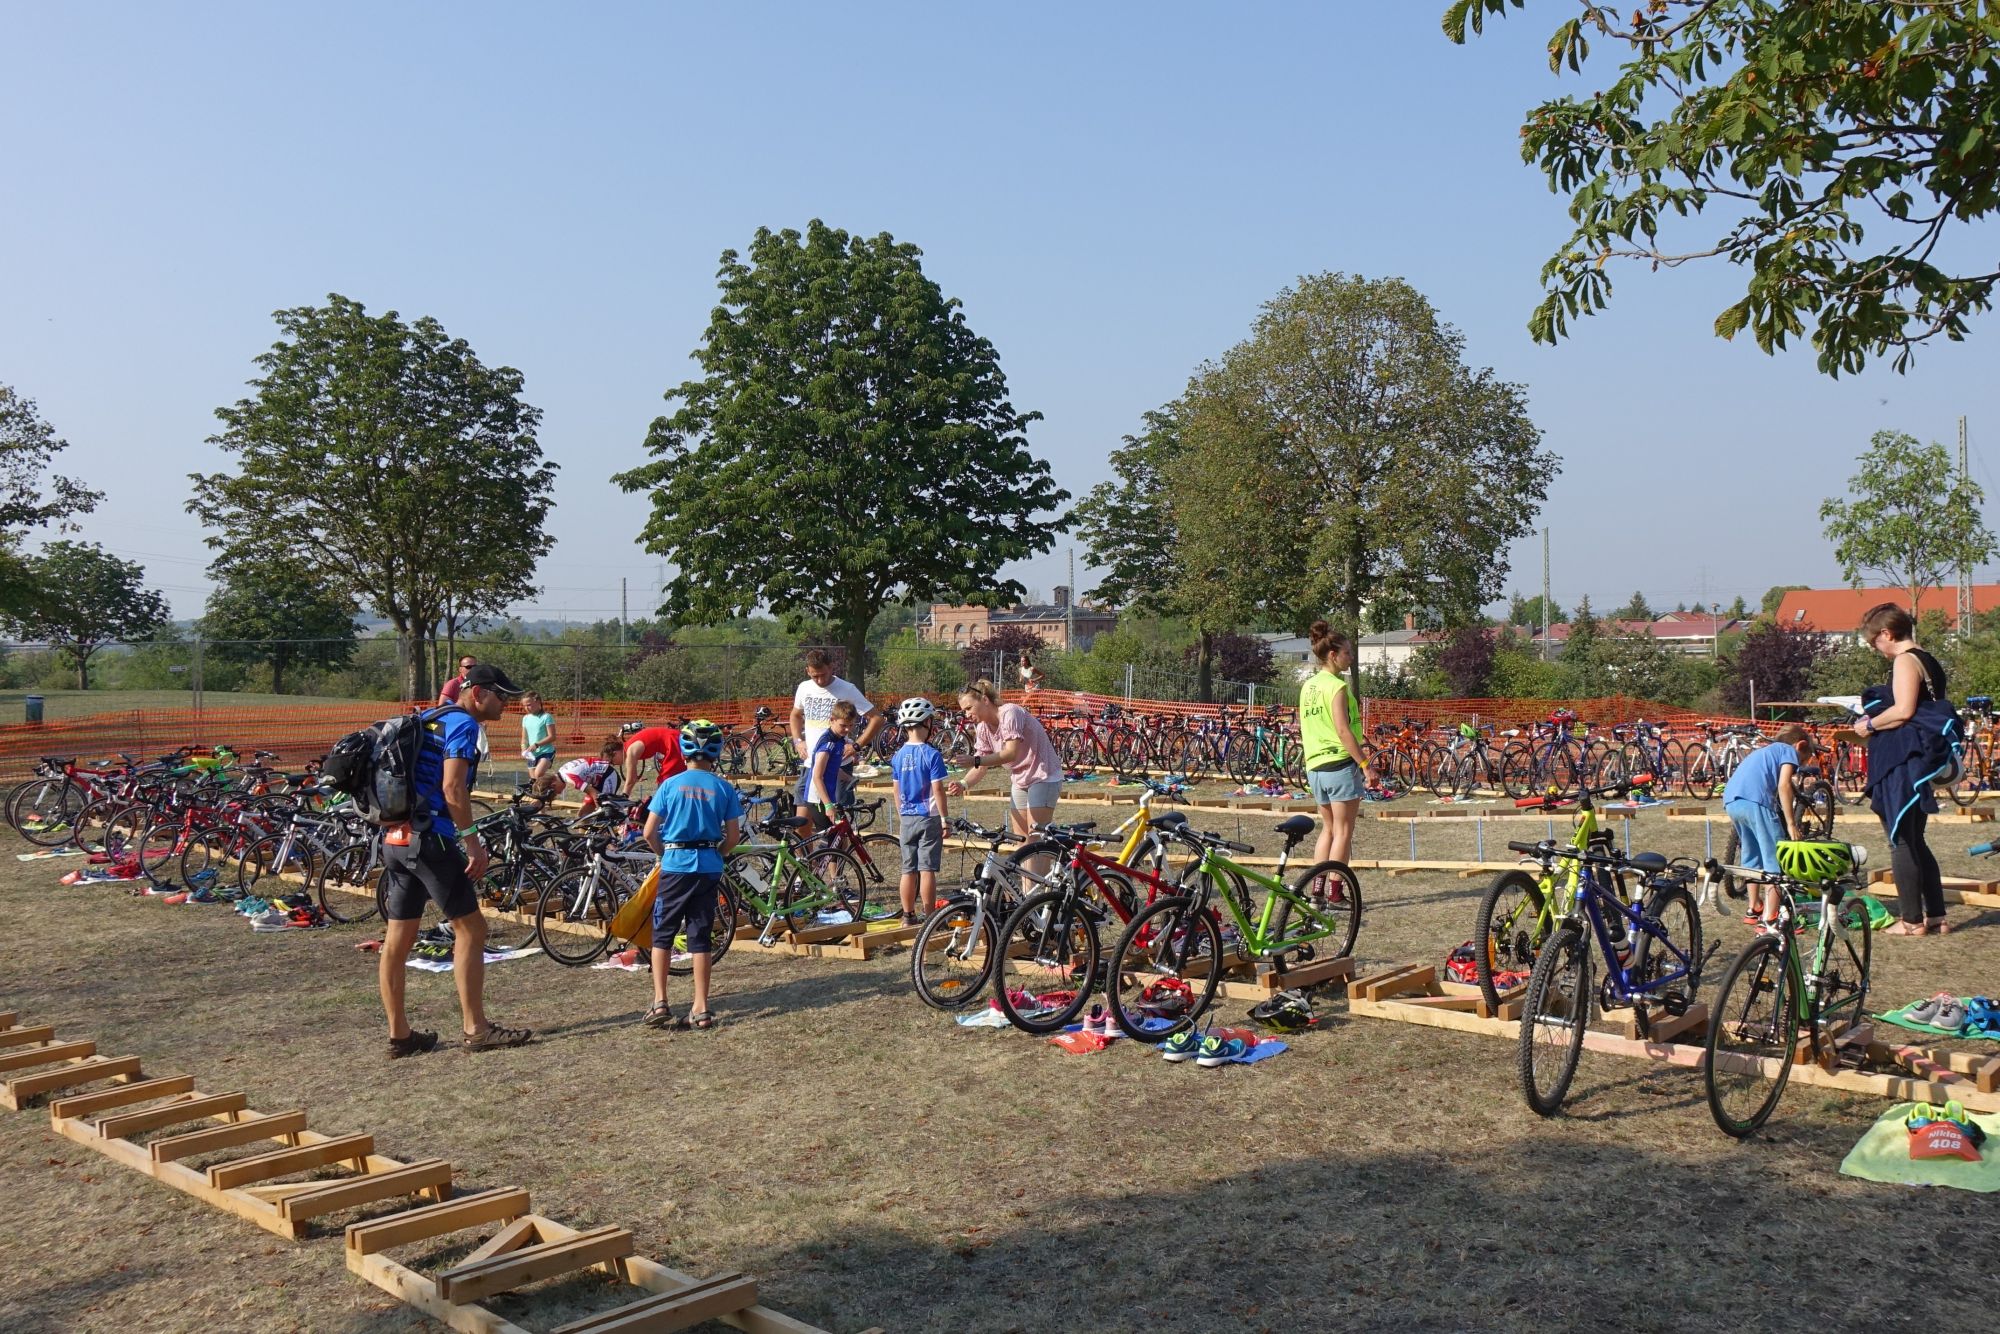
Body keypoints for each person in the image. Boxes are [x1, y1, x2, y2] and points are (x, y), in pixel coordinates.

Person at [379, 664, 533, 1057]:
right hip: (432, 838)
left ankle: (400, 1036)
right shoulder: (463, 725)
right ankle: (476, 1029)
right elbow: (452, 788)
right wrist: (472, 843)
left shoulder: (430, 717)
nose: (507, 705)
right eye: (502, 696)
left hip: (397, 837)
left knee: (397, 940)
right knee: (472, 930)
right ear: (478, 693)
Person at [1854, 602, 1953, 935]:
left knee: (1900, 839)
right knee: (1915, 839)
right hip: (1922, 758)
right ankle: (1936, 916)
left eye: (1875, 641)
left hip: (1904, 759)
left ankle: (1911, 922)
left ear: (1887, 633)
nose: (1876, 648)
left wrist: (1869, 724)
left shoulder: (1905, 660)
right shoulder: (1929, 659)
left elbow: (1904, 710)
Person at [640, 720, 743, 1031]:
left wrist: (663, 853)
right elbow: (733, 836)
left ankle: (660, 1001)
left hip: (675, 864)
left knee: (663, 934)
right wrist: (718, 854)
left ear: (684, 752)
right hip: (708, 866)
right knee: (700, 936)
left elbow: (649, 833)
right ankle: (701, 1007)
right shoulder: (724, 788)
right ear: (716, 753)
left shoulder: (669, 785)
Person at [947, 679, 1063, 872]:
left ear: (985, 700)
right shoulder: (983, 728)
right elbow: (981, 766)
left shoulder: (1010, 712)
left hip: (1044, 775)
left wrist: (975, 760)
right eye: (964, 710)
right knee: (1022, 841)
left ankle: (1040, 889)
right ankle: (1028, 890)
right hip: (1020, 778)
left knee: (1036, 839)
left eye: (969, 708)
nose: (967, 714)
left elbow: (1011, 753)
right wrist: (963, 783)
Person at [1721, 724, 1821, 927]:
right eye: (1802, 760)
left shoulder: (1764, 751)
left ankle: (1753, 907)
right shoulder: (1788, 751)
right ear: (1800, 745)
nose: (1798, 765)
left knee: (1752, 855)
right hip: (1756, 802)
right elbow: (1784, 785)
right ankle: (1770, 918)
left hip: (1732, 801)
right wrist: (1791, 823)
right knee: (1776, 861)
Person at [1298, 622, 1371, 869]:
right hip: (1339, 765)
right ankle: (1336, 887)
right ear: (1332, 655)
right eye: (1347, 652)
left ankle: (1316, 885)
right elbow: (1343, 730)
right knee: (1343, 831)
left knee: (1328, 829)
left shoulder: (1308, 687)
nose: (1351, 657)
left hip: (1315, 766)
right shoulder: (1336, 686)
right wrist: (1365, 764)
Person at [791, 649, 882, 820]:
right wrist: (798, 741)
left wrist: (856, 746)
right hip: (810, 765)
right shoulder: (804, 688)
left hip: (838, 766)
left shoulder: (847, 689)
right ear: (807, 671)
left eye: (823, 675)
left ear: (831, 667)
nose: (820, 680)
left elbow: (876, 718)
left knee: (838, 824)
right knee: (802, 823)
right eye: (815, 676)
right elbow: (795, 715)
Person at [891, 697, 951, 924]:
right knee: (927, 869)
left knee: (908, 869)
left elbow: (896, 790)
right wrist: (945, 819)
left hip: (907, 817)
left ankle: (908, 915)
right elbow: (938, 789)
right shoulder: (932, 754)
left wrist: (901, 815)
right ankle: (929, 916)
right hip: (929, 817)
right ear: (927, 723)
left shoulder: (897, 756)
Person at [806, 700, 858, 825]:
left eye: (850, 725)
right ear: (832, 720)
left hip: (828, 796)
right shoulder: (828, 744)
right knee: (831, 836)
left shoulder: (839, 739)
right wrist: (828, 805)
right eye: (843, 725)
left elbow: (832, 768)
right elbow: (817, 776)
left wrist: (849, 778)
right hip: (819, 799)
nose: (847, 729)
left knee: (840, 833)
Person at [621, 721, 687, 799]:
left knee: (665, 783)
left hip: (673, 741)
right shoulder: (630, 745)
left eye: (612, 761)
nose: (614, 764)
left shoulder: (630, 750)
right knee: (668, 782)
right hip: (674, 738)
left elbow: (631, 779)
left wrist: (623, 797)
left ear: (615, 752)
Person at [550, 739, 624, 807]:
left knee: (607, 809)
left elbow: (594, 793)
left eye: (556, 792)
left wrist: (601, 808)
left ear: (553, 784)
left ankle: (624, 816)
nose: (559, 793)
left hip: (608, 775)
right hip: (598, 779)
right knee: (583, 814)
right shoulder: (562, 770)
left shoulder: (571, 778)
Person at [519, 692, 557, 788]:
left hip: (546, 752)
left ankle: (556, 782)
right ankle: (541, 795)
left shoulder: (546, 717)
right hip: (532, 754)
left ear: (538, 702)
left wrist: (536, 744)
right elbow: (524, 738)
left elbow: (552, 736)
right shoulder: (525, 718)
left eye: (529, 705)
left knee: (538, 774)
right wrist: (523, 749)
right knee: (534, 782)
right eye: (524, 706)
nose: (526, 708)